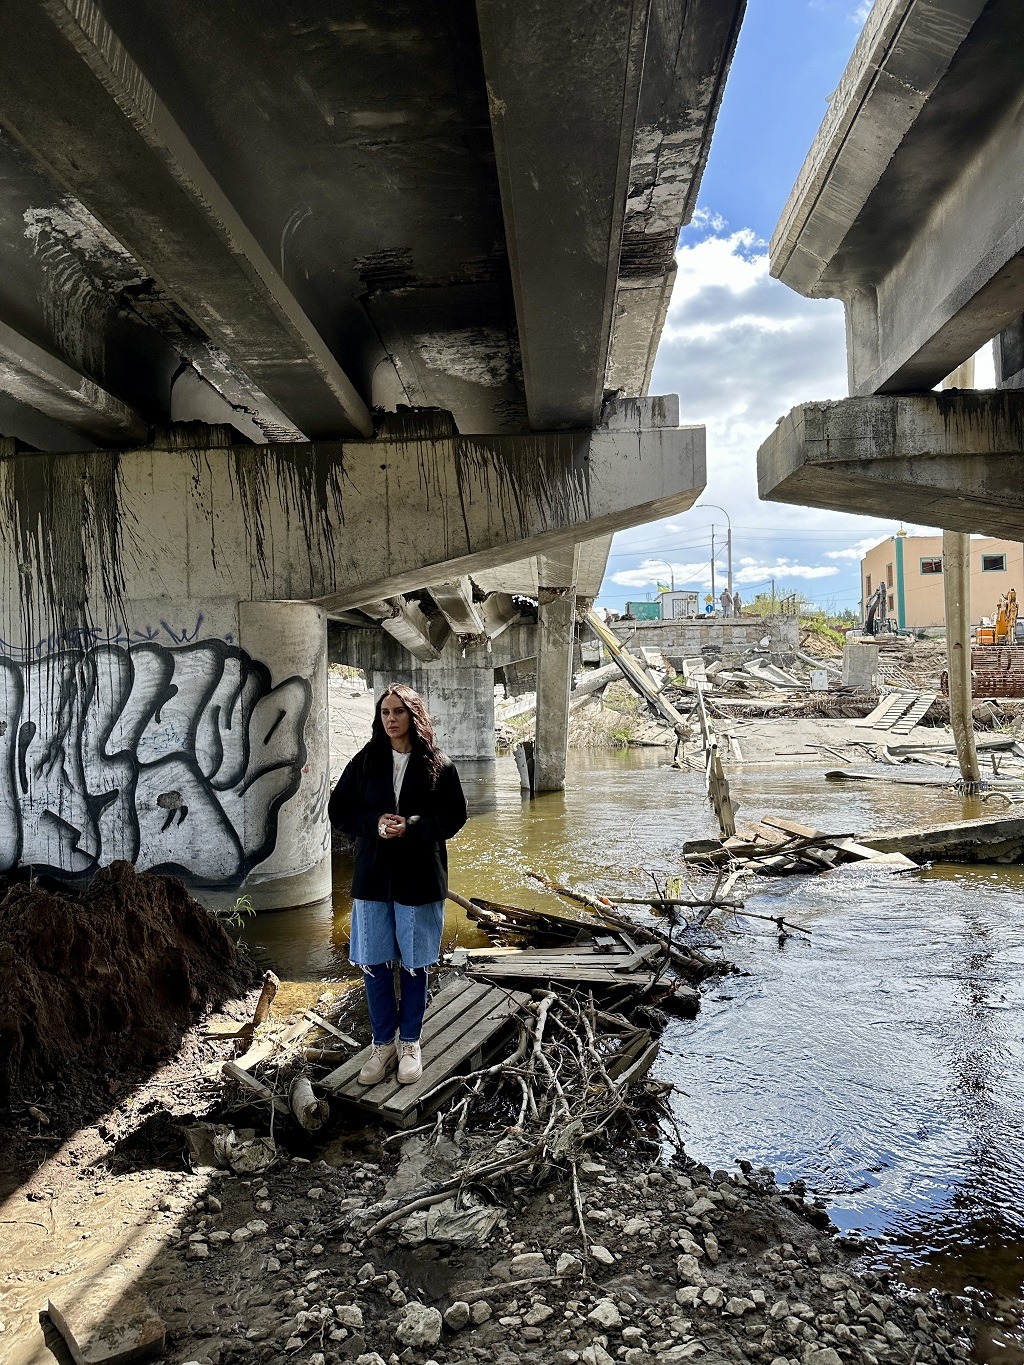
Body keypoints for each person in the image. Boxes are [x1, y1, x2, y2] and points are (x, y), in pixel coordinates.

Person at [329, 684, 467, 1086]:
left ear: (414, 716)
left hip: (419, 876)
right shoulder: (366, 761)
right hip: (373, 876)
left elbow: (454, 817)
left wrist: (414, 826)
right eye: (385, 712)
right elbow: (340, 809)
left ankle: (410, 1043)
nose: (390, 719)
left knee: (413, 960)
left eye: (398, 712)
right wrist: (373, 825)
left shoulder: (439, 764)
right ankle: (382, 1044)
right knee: (373, 959)